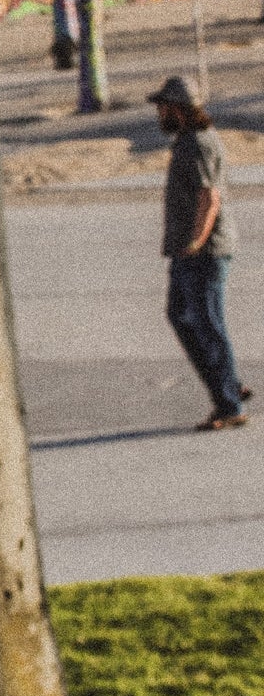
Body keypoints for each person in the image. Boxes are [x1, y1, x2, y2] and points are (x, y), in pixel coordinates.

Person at [149, 73, 249, 431]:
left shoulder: (200, 144)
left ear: (178, 108)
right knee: (182, 316)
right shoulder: (188, 140)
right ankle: (229, 383)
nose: (159, 114)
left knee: (206, 323)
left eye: (162, 107)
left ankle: (229, 404)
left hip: (203, 251)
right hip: (187, 251)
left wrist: (195, 240)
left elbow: (210, 197)